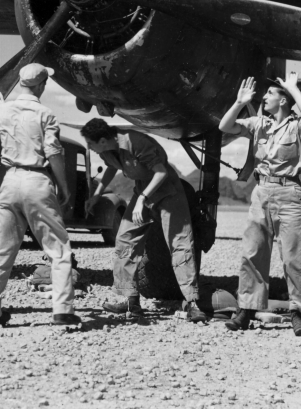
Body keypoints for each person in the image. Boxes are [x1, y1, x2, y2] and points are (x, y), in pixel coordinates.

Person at [0, 63, 79, 328]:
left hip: (10, 180)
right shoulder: (46, 113)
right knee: (58, 249)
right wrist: (65, 187)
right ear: (41, 85)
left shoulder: (4, 109)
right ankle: (62, 310)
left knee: (1, 250)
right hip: (37, 179)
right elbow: (54, 153)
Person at [218, 73, 301, 336]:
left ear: (283, 100)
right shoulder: (258, 124)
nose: (263, 97)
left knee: (292, 257)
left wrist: (293, 88)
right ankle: (247, 310)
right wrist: (240, 102)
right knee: (252, 253)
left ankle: (298, 312)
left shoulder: (297, 127)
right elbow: (224, 127)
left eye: (270, 94)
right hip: (261, 191)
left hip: (290, 193)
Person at [80, 118, 207, 322]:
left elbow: (161, 172)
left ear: (103, 140)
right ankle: (131, 301)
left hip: (168, 192)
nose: (90, 148)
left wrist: (142, 199)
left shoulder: (135, 142)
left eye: (91, 144)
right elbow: (112, 167)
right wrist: (97, 194)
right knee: (125, 240)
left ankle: (192, 303)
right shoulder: (106, 151)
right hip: (143, 192)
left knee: (180, 244)